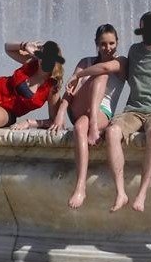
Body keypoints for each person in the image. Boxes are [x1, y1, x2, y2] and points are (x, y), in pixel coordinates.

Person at [74, 11, 151, 213]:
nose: (108, 47)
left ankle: (141, 194)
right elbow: (104, 67)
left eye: (112, 43)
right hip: (134, 109)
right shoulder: (134, 51)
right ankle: (121, 193)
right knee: (113, 132)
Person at [51, 24, 126, 209]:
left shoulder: (122, 62)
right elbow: (70, 91)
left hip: (102, 113)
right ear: (96, 44)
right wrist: (60, 115)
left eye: (111, 43)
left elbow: (105, 67)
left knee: (78, 128)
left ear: (117, 43)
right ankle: (80, 185)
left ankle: (81, 187)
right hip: (79, 107)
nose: (107, 48)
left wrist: (80, 75)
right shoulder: (85, 60)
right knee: (99, 75)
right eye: (103, 44)